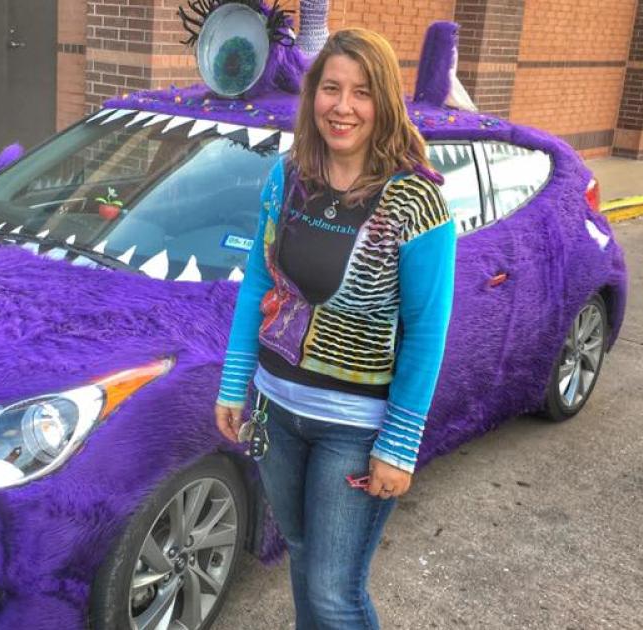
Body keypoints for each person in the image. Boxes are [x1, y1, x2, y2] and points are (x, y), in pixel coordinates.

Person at [214, 28, 457, 630]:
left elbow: (427, 331)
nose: (343, 106)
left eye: (362, 92)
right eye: (331, 88)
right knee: (300, 554)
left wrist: (398, 445)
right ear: (312, 95)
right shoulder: (288, 176)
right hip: (276, 412)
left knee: (334, 593)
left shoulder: (416, 202)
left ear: (384, 103)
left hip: (354, 429)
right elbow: (258, 282)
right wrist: (234, 383)